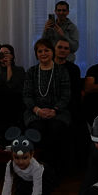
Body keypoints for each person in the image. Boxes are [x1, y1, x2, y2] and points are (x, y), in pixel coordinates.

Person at [23, 39, 71, 174]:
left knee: (55, 128)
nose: (43, 53)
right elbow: (26, 96)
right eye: (40, 51)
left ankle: (53, 169)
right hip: (34, 112)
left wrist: (55, 110)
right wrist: (37, 110)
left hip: (58, 112)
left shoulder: (62, 71)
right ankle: (36, 168)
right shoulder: (31, 72)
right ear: (36, 54)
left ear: (52, 52)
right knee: (37, 128)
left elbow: (66, 95)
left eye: (46, 50)